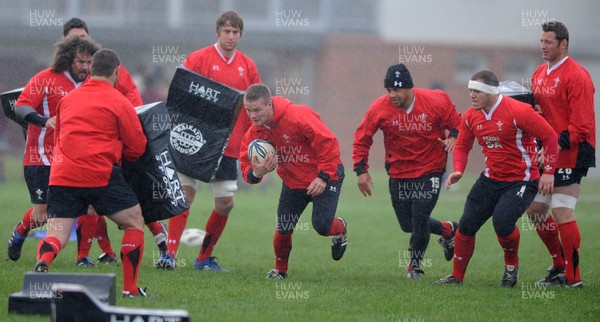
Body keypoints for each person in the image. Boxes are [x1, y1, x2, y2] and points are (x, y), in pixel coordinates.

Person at [35, 48, 148, 298]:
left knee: (56, 233)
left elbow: (60, 134)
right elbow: (137, 146)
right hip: (100, 173)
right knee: (134, 221)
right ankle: (130, 289)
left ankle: (44, 260)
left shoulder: (68, 99)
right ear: (117, 73)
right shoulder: (120, 101)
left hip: (63, 174)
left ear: (90, 70)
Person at [156, 11, 260, 271]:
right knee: (185, 196)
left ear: (240, 35)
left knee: (226, 203)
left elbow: (254, 105)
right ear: (217, 33)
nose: (231, 36)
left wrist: (251, 138)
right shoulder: (199, 58)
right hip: (195, 140)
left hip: (229, 144)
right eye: (226, 31)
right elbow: (179, 94)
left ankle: (203, 257)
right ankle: (169, 254)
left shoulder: (247, 66)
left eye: (235, 32)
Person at [435, 70, 558, 287]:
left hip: (522, 180)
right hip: (491, 178)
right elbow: (462, 145)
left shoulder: (519, 110)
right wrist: (458, 170)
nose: (472, 95)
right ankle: (456, 277)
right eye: (470, 90)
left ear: (491, 92)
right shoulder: (471, 116)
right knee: (467, 224)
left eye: (477, 91)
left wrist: (548, 171)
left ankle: (511, 267)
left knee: (502, 222)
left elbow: (549, 136)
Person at [62, 17, 168, 267]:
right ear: (64, 42)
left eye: (83, 38)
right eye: (74, 39)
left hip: (114, 145)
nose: (79, 43)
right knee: (91, 202)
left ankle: (161, 241)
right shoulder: (58, 75)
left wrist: (125, 133)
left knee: (128, 200)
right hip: (78, 150)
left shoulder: (104, 67)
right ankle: (96, 255)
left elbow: (132, 104)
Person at [352, 64, 462, 279]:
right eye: (389, 90)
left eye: (397, 90)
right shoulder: (379, 108)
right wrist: (360, 170)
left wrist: (453, 137)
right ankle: (448, 230)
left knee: (419, 217)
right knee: (407, 224)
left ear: (410, 88)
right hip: (399, 173)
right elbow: (362, 138)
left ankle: (415, 265)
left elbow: (459, 122)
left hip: (430, 170)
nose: (392, 95)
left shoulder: (436, 101)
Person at [239, 83, 347, 279]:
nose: (253, 115)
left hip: (325, 174)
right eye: (248, 110)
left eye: (257, 110)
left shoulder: (297, 115)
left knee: (322, 227)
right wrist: (257, 173)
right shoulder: (255, 132)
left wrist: (323, 177)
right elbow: (245, 164)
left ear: (269, 104)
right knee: (284, 226)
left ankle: (340, 228)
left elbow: (329, 143)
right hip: (293, 181)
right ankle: (280, 270)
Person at [7, 36, 99, 262]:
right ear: (68, 60)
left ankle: (83, 258)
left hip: (75, 159)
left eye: (89, 63)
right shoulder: (45, 79)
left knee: (90, 206)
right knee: (43, 215)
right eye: (81, 62)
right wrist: (44, 120)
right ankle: (20, 232)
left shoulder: (92, 84)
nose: (85, 67)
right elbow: (20, 107)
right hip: (41, 157)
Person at [526, 21, 595, 288]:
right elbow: (537, 115)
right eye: (541, 41)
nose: (543, 46)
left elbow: (582, 125)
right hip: (547, 153)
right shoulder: (538, 73)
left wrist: (552, 146)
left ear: (564, 44)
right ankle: (558, 263)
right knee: (535, 210)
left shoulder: (577, 75)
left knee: (563, 212)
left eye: (549, 42)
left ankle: (573, 277)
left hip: (571, 152)